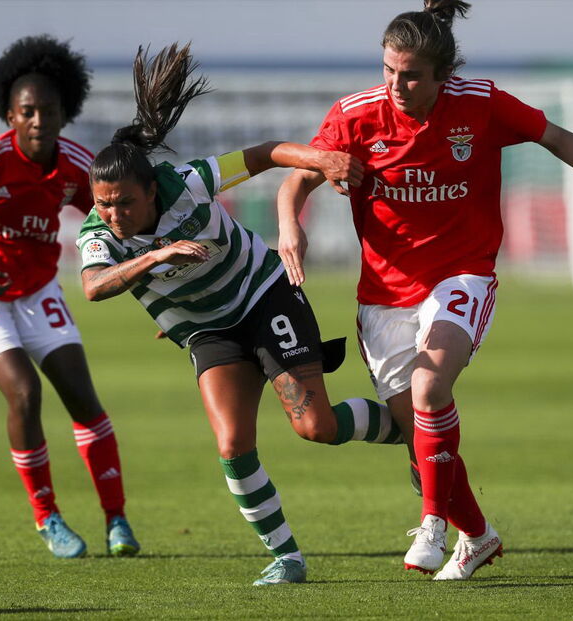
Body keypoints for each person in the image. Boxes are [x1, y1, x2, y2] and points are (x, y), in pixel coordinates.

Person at [277, 0, 573, 581]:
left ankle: (431, 523)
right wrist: (289, 227)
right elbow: (297, 180)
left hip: (462, 274)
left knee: (429, 386)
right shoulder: (356, 116)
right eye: (388, 70)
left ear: (442, 76)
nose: (395, 85)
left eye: (411, 75)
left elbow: (555, 136)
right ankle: (477, 536)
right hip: (383, 294)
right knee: (418, 435)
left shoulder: (480, 104)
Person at [77, 42, 409, 586]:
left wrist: (320, 159)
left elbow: (264, 154)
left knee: (316, 427)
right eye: (103, 203)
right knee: (232, 445)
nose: (114, 214)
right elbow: (93, 287)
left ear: (151, 190)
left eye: (125, 202)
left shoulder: (187, 183)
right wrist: (156, 258)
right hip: (208, 331)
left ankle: (414, 437)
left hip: (263, 297)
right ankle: (287, 558)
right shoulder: (98, 234)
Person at [0, 35, 139, 559]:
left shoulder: (77, 166)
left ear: (66, 113)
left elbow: (113, 221)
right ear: (10, 116)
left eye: (49, 110)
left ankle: (117, 520)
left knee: (82, 396)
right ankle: (48, 518)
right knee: (24, 392)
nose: (39, 119)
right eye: (28, 111)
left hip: (37, 289)